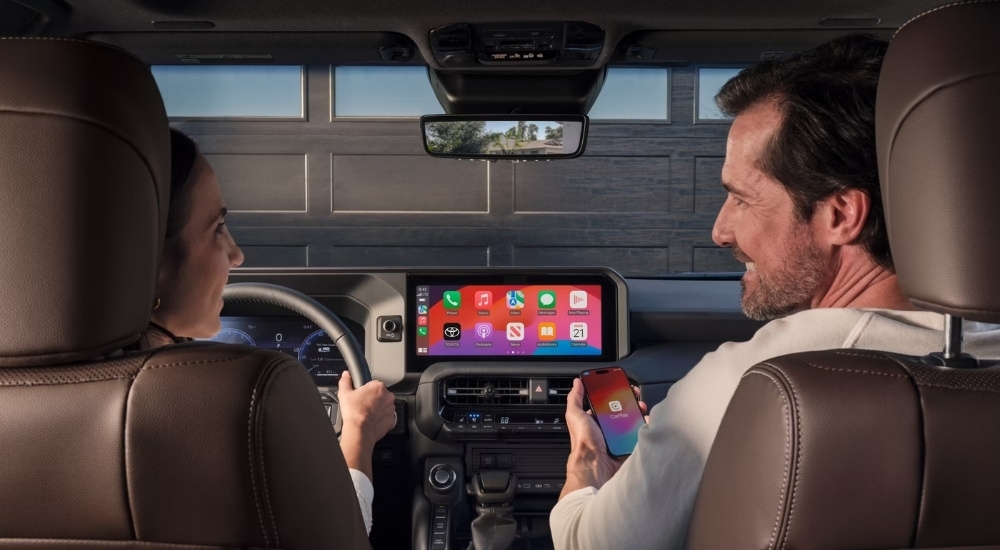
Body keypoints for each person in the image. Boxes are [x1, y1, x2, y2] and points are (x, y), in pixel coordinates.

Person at [550, 34, 1000, 549]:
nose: (720, 232)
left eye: (741, 199)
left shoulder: (750, 383)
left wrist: (587, 473)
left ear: (840, 215)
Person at [136, 128, 396, 536]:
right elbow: (337, 538)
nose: (237, 255)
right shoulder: (213, 410)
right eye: (218, 228)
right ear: (151, 264)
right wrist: (359, 434)